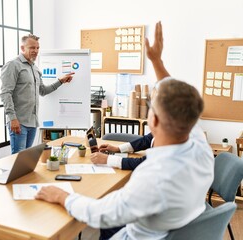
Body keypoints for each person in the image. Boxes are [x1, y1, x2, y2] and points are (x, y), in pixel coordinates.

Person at [35, 22, 214, 240]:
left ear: (153, 119)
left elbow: (99, 214)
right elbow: (179, 96)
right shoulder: (200, 145)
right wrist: (156, 61)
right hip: (173, 223)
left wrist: (61, 196)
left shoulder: (153, 177)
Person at [0, 34, 74, 154]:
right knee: (18, 157)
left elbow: (43, 91)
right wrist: (12, 118)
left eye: (37, 48)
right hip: (19, 121)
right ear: (22, 48)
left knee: (26, 157)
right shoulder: (13, 65)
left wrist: (60, 81)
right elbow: (5, 94)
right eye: (32, 48)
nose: (35, 51)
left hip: (33, 122)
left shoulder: (35, 68)